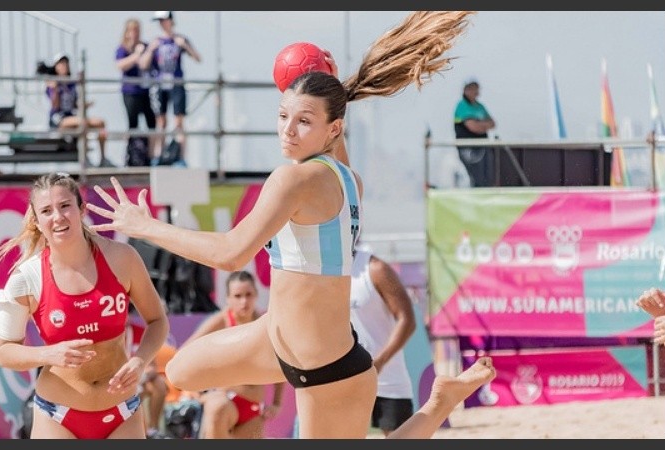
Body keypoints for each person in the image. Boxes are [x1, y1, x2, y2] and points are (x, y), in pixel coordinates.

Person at [86, 11, 495, 439]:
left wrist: (145, 225)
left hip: (329, 368)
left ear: (331, 128)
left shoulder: (296, 178)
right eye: (283, 116)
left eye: (303, 122)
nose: (288, 131)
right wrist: (329, 87)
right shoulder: (345, 175)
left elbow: (230, 254)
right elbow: (333, 139)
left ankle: (438, 403)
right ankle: (438, 400)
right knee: (184, 371)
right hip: (276, 341)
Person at [0, 172, 170, 439]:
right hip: (58, 415)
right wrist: (47, 354)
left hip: (122, 411)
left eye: (65, 206)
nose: (58, 217)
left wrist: (140, 361)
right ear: (36, 221)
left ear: (81, 208)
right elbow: (3, 352)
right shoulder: (26, 278)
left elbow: (158, 321)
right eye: (47, 211)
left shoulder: (122, 259)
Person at [183, 270, 285, 439]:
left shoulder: (265, 325)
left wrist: (277, 403)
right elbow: (185, 354)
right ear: (228, 299)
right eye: (237, 296)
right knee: (217, 409)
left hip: (253, 408)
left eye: (248, 295)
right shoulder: (221, 321)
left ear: (256, 295)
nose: (244, 301)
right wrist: (199, 393)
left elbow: (280, 363)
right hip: (224, 401)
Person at [349, 248, 417, 437]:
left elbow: (407, 320)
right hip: (345, 381)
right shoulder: (321, 270)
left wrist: (379, 362)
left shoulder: (376, 269)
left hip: (387, 381)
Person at [146, 11, 201, 165]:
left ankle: (181, 157)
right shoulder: (155, 42)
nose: (162, 23)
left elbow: (197, 58)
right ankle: (159, 155)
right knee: (161, 121)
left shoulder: (180, 39)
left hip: (176, 84)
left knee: (179, 121)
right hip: (160, 85)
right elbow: (143, 64)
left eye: (164, 20)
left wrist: (184, 45)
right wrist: (150, 49)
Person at [39, 53, 112, 167]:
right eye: (61, 63)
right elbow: (55, 106)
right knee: (82, 122)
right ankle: (84, 158)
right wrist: (55, 90)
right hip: (59, 119)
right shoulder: (52, 83)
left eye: (65, 63)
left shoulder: (72, 83)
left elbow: (75, 104)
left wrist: (85, 104)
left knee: (100, 123)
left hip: (73, 116)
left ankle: (103, 159)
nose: (64, 65)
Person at [115, 18, 159, 158]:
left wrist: (148, 50)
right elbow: (120, 65)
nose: (134, 33)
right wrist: (136, 55)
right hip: (130, 92)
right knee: (132, 124)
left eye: (137, 30)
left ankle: (151, 155)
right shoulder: (122, 49)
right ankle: (131, 155)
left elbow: (145, 65)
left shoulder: (144, 46)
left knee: (152, 122)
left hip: (144, 92)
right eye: (132, 30)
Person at [453, 77, 497, 187]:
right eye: (472, 88)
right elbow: (473, 127)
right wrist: (482, 125)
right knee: (475, 177)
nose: (475, 92)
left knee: (487, 177)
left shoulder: (480, 106)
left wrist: (479, 124)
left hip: (482, 147)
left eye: (476, 89)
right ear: (466, 90)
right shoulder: (462, 105)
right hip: (468, 148)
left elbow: (493, 123)